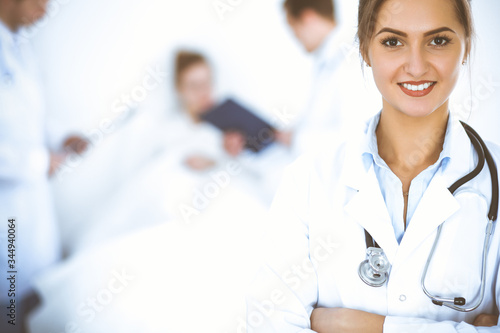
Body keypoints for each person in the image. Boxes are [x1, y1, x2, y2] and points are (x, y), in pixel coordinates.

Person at [247, 0, 500, 331]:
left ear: (466, 45)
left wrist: (359, 325)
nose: (416, 65)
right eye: (393, 41)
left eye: (438, 40)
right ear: (365, 48)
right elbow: (270, 324)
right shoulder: (307, 181)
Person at [0, 0, 87, 331]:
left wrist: (63, 137)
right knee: (11, 298)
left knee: (35, 296)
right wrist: (39, 162)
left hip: (31, 205)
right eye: (40, 0)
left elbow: (27, 119)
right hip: (7, 208)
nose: (46, 9)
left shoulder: (21, 48)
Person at [283, 0, 380, 156]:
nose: (296, 39)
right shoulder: (326, 63)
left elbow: (357, 138)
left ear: (308, 18)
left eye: (295, 30)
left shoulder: (353, 59)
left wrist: (295, 140)